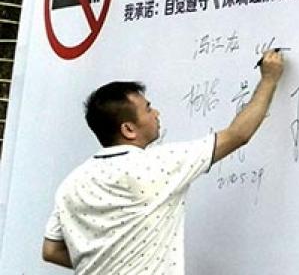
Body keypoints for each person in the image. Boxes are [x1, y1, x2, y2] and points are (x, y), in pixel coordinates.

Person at [41, 49, 285, 274]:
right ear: (128, 129)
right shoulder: (157, 166)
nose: (156, 113)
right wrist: (269, 79)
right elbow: (237, 135)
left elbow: (51, 251)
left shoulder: (71, 183)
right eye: (148, 109)